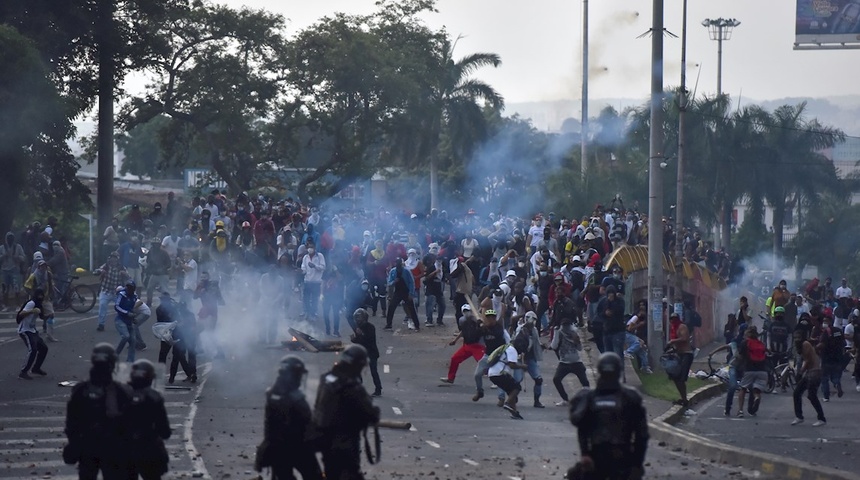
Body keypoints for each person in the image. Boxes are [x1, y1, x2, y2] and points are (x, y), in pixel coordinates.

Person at [568, 352, 648, 480]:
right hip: (617, 455)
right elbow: (642, 435)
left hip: (605, 455)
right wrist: (637, 462)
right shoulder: (629, 397)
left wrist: (585, 453)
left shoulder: (590, 397)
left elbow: (580, 425)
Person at [64, 343, 134, 480]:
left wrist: (75, 443)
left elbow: (71, 422)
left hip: (87, 448)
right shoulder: (121, 391)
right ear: (112, 364)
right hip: (113, 449)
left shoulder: (80, 390)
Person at [312, 344, 381, 479]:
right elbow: (371, 414)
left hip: (325, 442)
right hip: (345, 445)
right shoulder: (352, 387)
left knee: (331, 473)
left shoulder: (326, 379)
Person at [255, 356, 323, 480]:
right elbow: (308, 425)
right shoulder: (296, 399)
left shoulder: (272, 393)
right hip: (298, 448)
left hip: (276, 448)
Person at [126, 359, 171, 480]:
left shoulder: (122, 395)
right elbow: (165, 431)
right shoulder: (154, 398)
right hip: (149, 450)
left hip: (125, 451)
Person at [441, 304, 485, 385]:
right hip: (467, 345)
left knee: (485, 362)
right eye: (464, 311)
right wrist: (455, 340)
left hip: (478, 345)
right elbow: (463, 332)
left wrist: (480, 323)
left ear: (471, 311)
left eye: (468, 311)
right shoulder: (462, 320)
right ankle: (451, 378)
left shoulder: (477, 319)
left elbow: (485, 328)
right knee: (454, 359)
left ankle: (496, 380)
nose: (466, 313)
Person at [472, 308, 510, 402]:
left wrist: (485, 329)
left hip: (499, 356)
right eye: (487, 318)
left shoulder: (499, 328)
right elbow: (474, 338)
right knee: (477, 374)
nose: (489, 320)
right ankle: (479, 392)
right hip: (488, 355)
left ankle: (501, 398)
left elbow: (497, 335)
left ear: (494, 319)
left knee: (499, 376)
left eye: (492, 318)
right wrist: (478, 327)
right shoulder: (484, 328)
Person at [488, 331, 528, 419]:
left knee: (511, 392)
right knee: (517, 387)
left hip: (492, 373)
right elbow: (512, 365)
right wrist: (522, 366)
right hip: (500, 373)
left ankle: (514, 413)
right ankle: (507, 403)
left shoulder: (507, 347)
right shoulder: (512, 350)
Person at [550, 317, 589, 406]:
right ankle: (565, 399)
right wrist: (556, 333)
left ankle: (587, 400)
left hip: (576, 361)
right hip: (564, 362)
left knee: (585, 382)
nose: (566, 328)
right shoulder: (559, 333)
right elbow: (554, 346)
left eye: (567, 325)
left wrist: (577, 341)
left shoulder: (574, 333)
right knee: (556, 379)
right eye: (564, 326)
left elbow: (579, 348)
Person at [791, 329, 827, 426]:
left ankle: (821, 418)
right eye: (795, 338)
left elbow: (807, 361)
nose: (797, 339)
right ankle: (799, 416)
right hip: (810, 373)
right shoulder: (801, 346)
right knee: (797, 393)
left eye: (798, 337)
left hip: (814, 373)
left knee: (811, 396)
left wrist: (800, 372)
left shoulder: (805, 344)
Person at [16, 288, 49, 380]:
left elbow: (42, 317)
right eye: (39, 295)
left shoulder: (39, 304)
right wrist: (32, 311)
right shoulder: (31, 303)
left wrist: (49, 315)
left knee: (44, 348)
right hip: (25, 330)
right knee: (33, 350)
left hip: (33, 330)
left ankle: (36, 368)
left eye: (42, 295)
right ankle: (23, 372)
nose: (40, 297)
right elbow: (21, 314)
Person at [736, 325, 768, 418]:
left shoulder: (745, 343)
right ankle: (756, 397)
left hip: (749, 369)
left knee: (743, 388)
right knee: (756, 390)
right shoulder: (761, 343)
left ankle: (740, 410)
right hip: (762, 371)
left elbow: (740, 356)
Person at [665, 312, 694, 411]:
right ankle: (683, 398)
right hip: (678, 354)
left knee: (681, 378)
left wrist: (673, 341)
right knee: (675, 376)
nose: (673, 321)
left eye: (674, 318)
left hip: (686, 354)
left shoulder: (682, 327)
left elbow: (685, 338)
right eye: (671, 319)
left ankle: (684, 399)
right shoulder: (673, 328)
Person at [350, 308, 382, 397]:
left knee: (373, 371)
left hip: (371, 353)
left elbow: (368, 340)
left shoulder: (370, 327)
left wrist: (360, 335)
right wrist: (354, 339)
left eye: (359, 318)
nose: (357, 320)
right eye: (356, 318)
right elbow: (359, 341)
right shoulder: (358, 328)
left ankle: (378, 389)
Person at [95, 252, 128, 332]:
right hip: (105, 291)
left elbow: (128, 277)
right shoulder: (105, 266)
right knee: (102, 306)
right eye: (112, 257)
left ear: (118, 259)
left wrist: (125, 274)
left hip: (117, 293)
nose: (113, 259)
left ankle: (125, 324)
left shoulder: (121, 268)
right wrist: (100, 272)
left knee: (122, 308)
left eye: (115, 258)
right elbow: (95, 272)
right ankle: (101, 324)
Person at [385, 257, 420, 331]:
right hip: (397, 292)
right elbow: (389, 282)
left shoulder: (407, 271)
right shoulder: (393, 271)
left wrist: (411, 293)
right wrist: (394, 282)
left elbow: (411, 282)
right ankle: (388, 325)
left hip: (406, 292)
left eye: (399, 263)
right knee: (391, 307)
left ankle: (417, 325)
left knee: (412, 309)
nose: (398, 265)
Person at [115, 281, 139, 363]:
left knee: (133, 341)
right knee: (126, 336)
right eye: (128, 287)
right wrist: (126, 313)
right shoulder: (122, 294)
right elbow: (117, 306)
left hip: (129, 321)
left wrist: (133, 317)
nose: (129, 289)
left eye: (131, 287)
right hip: (120, 320)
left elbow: (132, 308)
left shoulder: (135, 296)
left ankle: (130, 361)